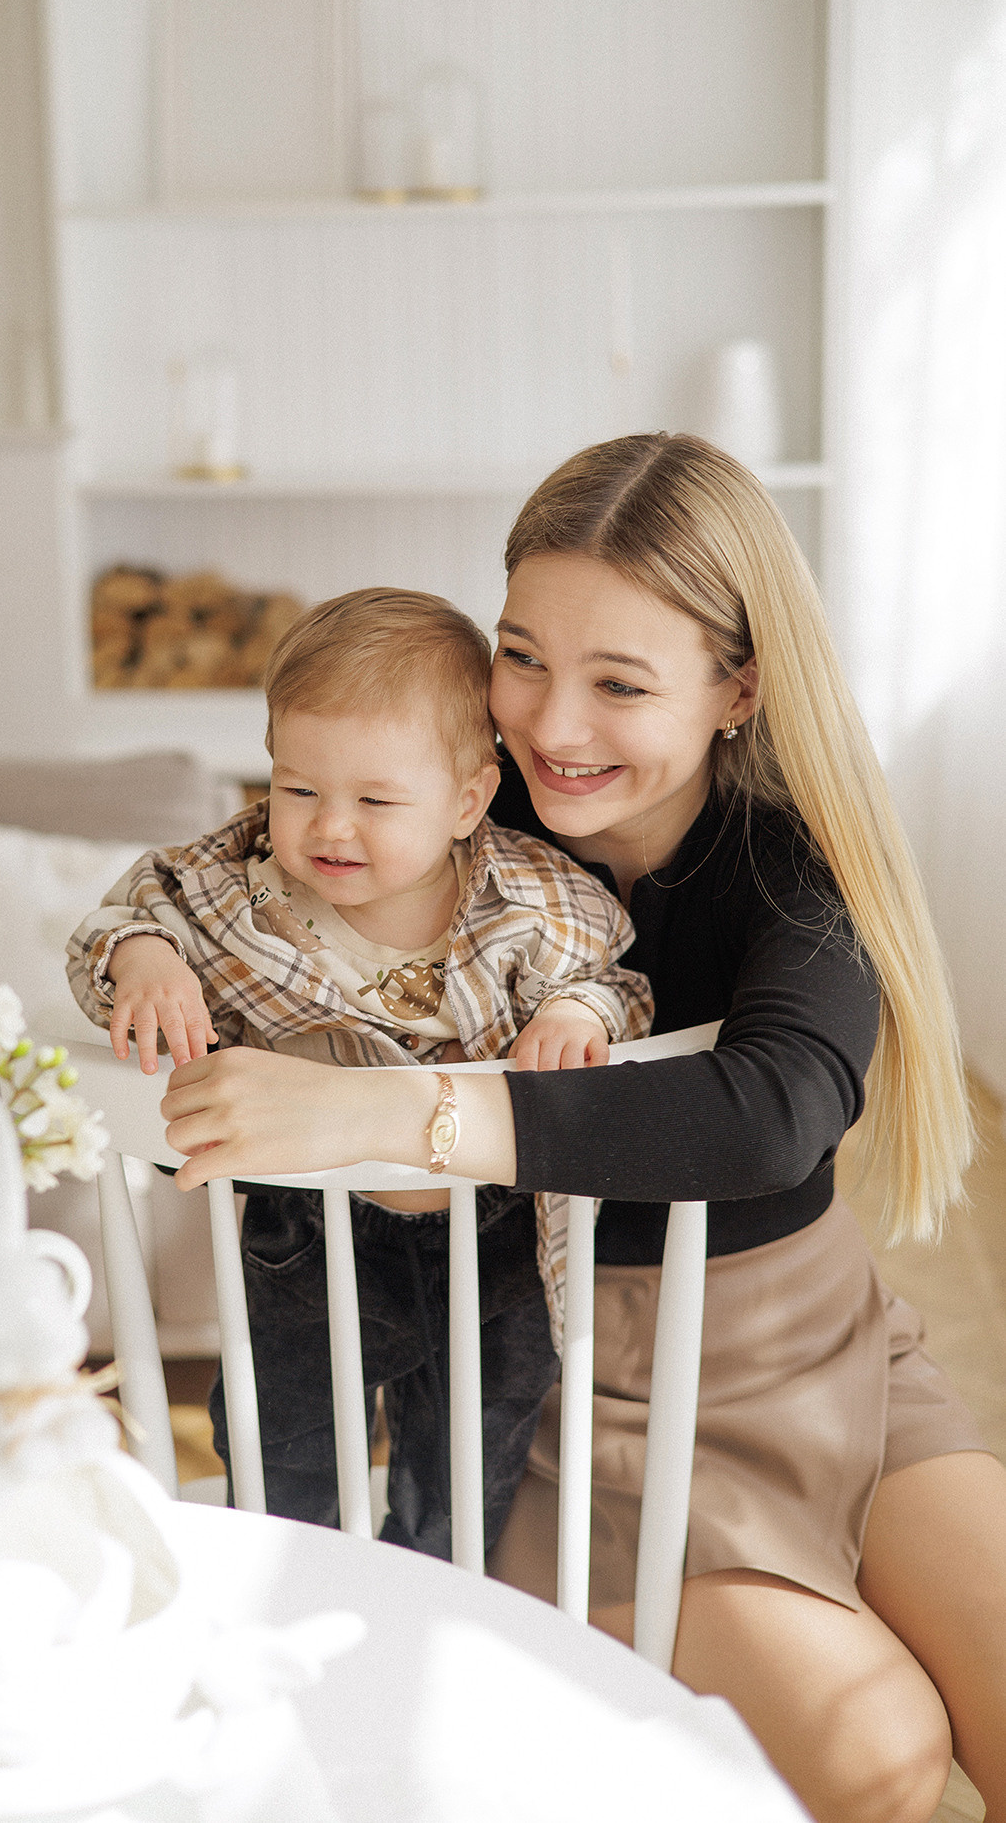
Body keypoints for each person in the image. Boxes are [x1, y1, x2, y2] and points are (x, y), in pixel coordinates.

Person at [155, 436, 1006, 1823]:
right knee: (882, 1756)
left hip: (819, 1348)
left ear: (737, 686)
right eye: (521, 657)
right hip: (585, 1391)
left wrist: (394, 1110)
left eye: (619, 682)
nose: (551, 725)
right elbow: (215, 923)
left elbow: (770, 1108)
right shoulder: (415, 839)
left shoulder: (783, 859)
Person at [67, 587, 651, 1559]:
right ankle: (294, 1583)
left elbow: (616, 982)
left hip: (492, 1233)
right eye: (297, 788)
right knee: (280, 1448)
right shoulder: (236, 888)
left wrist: (575, 1010)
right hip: (308, 1235)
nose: (329, 826)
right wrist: (144, 958)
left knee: (469, 1453)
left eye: (375, 800)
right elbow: (120, 917)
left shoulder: (530, 901)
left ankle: (431, 1584)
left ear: (468, 798)